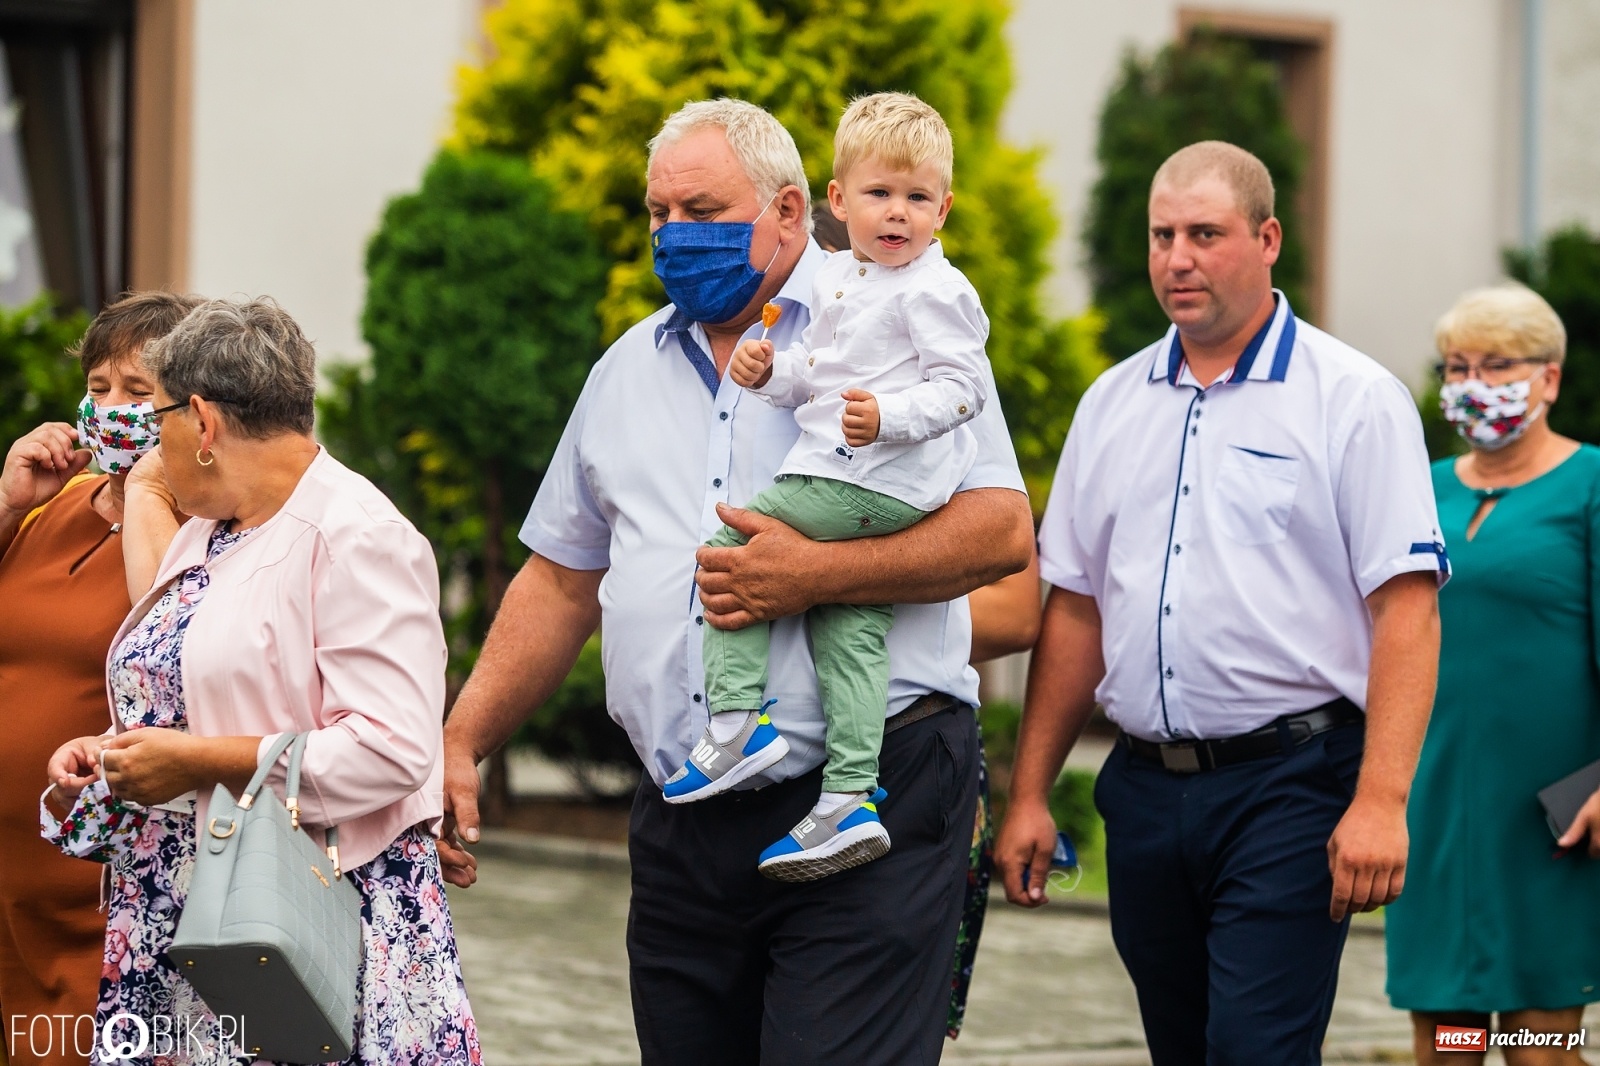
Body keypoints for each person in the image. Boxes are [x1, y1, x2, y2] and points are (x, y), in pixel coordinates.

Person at [436, 97, 1033, 1065]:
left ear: (790, 210)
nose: (673, 233)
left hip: (870, 801)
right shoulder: (624, 371)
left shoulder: (893, 312)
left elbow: (1001, 532)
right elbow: (560, 580)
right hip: (684, 816)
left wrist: (817, 575)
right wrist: (462, 739)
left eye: (702, 210)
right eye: (657, 212)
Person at [996, 140, 1447, 1065]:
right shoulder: (1111, 403)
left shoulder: (1355, 400)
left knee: (1254, 1048)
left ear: (1268, 239)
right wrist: (1031, 792)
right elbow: (1076, 609)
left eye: (1205, 234)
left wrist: (1380, 801)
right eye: (1162, 235)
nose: (1177, 258)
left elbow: (1407, 613)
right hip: (1145, 793)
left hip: (1292, 785)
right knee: (1182, 1047)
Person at [39, 298, 481, 1065]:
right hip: (187, 909)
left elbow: (391, 750)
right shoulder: (213, 530)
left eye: (157, 419)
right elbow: (208, 695)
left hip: (300, 924)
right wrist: (112, 749)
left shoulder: (358, 535)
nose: (151, 450)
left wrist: (197, 762)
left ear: (201, 422)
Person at [668, 92, 991, 884]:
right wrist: (772, 372)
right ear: (839, 201)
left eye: (918, 198)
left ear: (944, 209)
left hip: (871, 478)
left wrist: (887, 418)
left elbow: (963, 390)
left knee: (735, 546)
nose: (898, 213)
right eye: (880, 193)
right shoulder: (848, 278)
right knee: (849, 628)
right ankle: (848, 798)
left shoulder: (936, 289)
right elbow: (821, 375)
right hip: (864, 476)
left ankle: (736, 724)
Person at [1386, 285, 1600, 1066]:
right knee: (1449, 1043)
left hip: (1554, 817)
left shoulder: (1591, 484)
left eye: (1497, 365)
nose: (1473, 383)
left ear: (1549, 377)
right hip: (1434, 807)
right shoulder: (1422, 485)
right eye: (1457, 367)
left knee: (1540, 1046)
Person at [0, 291, 198, 1066]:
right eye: (98, 387)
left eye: (138, 391)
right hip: (12, 886)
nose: (111, 408)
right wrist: (9, 502)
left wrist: (150, 496)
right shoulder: (55, 505)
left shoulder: (200, 534)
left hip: (104, 885)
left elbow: (171, 646)